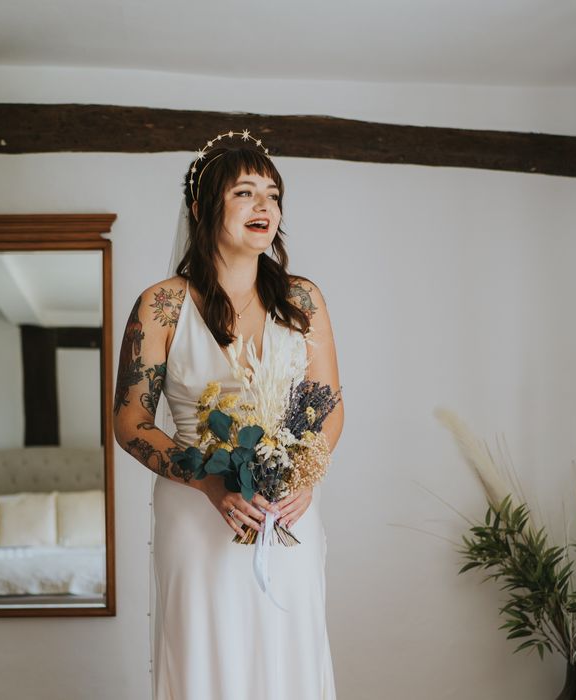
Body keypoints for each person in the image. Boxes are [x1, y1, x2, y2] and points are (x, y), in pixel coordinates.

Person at [114, 130, 343, 700]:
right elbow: (130, 422)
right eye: (246, 192)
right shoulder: (162, 305)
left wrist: (303, 479)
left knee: (286, 654)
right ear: (202, 207)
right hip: (198, 514)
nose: (265, 205)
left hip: (286, 515)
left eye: (273, 193)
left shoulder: (304, 301)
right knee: (207, 658)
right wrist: (210, 482)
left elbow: (329, 406)